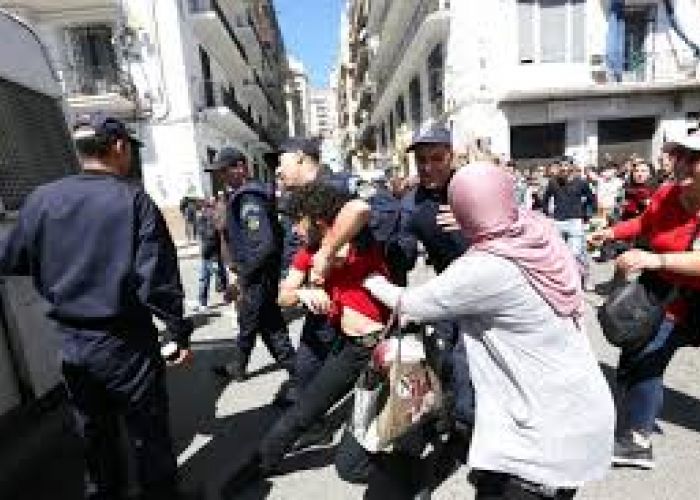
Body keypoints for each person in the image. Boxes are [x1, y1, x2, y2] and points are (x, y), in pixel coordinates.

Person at [364, 162, 615, 500]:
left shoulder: (487, 266)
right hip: (580, 406)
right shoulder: (537, 230)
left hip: (541, 434)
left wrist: (370, 279)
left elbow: (411, 304)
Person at [0, 115, 194, 500]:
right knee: (148, 432)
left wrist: (57, 266)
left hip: (72, 343)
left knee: (94, 433)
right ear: (119, 146)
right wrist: (177, 332)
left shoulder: (41, 199)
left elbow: (11, 259)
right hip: (127, 342)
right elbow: (158, 280)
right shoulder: (133, 200)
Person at [229, 181, 391, 485]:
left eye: (296, 221)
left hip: (383, 351)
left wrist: (327, 253)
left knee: (352, 465)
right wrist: (303, 294)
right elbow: (283, 295)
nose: (293, 230)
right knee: (302, 410)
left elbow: (360, 208)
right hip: (350, 349)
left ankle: (413, 462)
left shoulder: (355, 236)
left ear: (316, 218)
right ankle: (259, 465)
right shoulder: (307, 252)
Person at [591, 131, 700, 469]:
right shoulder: (668, 192)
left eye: (692, 158)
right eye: (678, 154)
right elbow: (645, 221)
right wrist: (611, 232)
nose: (680, 163)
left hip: (692, 300)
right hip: (661, 294)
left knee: (645, 360)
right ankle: (634, 433)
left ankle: (634, 434)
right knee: (638, 356)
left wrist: (656, 260)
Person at [211, 147, 296, 383]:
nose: (221, 177)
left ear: (240, 167)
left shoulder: (248, 197)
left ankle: (300, 380)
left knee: (264, 327)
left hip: (257, 277)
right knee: (266, 325)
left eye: (224, 170)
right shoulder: (245, 194)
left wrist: (242, 280)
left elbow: (262, 245)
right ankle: (240, 366)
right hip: (258, 276)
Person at [542, 162, 596, 289]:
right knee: (558, 254)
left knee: (576, 253)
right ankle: (564, 280)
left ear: (572, 168)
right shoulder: (553, 182)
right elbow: (545, 199)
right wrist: (547, 215)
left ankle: (586, 278)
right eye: (562, 167)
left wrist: (587, 215)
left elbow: (591, 198)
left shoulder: (581, 182)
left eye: (567, 167)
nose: (564, 169)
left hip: (575, 221)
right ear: (559, 169)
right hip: (557, 221)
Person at [195, 197, 228, 311]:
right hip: (210, 254)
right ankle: (203, 302)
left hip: (212, 254)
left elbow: (211, 237)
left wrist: (206, 251)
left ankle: (226, 296)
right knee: (211, 276)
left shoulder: (207, 217)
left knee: (215, 276)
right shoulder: (207, 217)